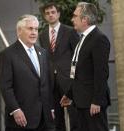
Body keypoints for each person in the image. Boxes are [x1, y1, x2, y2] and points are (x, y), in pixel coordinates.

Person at [0, 14, 55, 131]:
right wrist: (15, 109)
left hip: (45, 119)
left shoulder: (43, 53)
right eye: (30, 28)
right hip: (21, 119)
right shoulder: (7, 54)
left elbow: (47, 83)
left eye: (36, 29)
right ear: (19, 31)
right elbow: (5, 86)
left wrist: (51, 108)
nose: (34, 32)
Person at [60, 2, 111, 131]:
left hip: (93, 104)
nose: (72, 19)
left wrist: (97, 101)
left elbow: (102, 73)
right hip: (80, 101)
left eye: (75, 16)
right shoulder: (82, 38)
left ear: (85, 20)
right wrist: (69, 94)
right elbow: (79, 72)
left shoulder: (99, 39)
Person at [39, 2, 79, 131]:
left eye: (53, 12)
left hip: (69, 80)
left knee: (75, 117)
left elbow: (77, 57)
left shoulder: (70, 31)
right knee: (56, 119)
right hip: (51, 81)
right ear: (45, 17)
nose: (50, 15)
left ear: (58, 14)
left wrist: (74, 77)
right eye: (47, 13)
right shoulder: (42, 35)